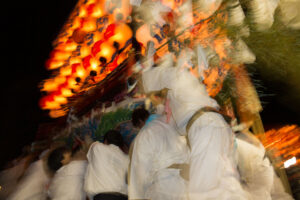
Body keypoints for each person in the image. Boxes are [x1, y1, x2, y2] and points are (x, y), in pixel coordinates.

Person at [141, 52, 249, 199]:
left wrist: (145, 68)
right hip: (212, 126)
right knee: (223, 182)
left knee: (204, 188)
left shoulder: (173, 76)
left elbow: (147, 80)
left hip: (205, 127)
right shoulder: (180, 83)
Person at [129, 106, 190, 200]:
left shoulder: (145, 134)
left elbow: (141, 174)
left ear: (140, 121)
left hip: (165, 187)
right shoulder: (173, 122)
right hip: (189, 180)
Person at [84, 130, 129, 200]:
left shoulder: (97, 147)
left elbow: (89, 145)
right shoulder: (127, 159)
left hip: (103, 197)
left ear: (105, 141)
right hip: (123, 197)